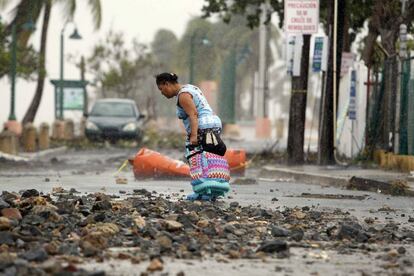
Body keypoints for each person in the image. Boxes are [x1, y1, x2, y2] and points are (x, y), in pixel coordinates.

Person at [155, 72, 230, 201]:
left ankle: (203, 191)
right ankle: (214, 190)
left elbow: (193, 114)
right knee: (211, 158)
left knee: (198, 158)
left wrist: (194, 136)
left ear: (166, 84)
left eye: (161, 89)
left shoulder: (183, 95)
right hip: (213, 123)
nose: (162, 93)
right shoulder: (191, 87)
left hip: (202, 126)